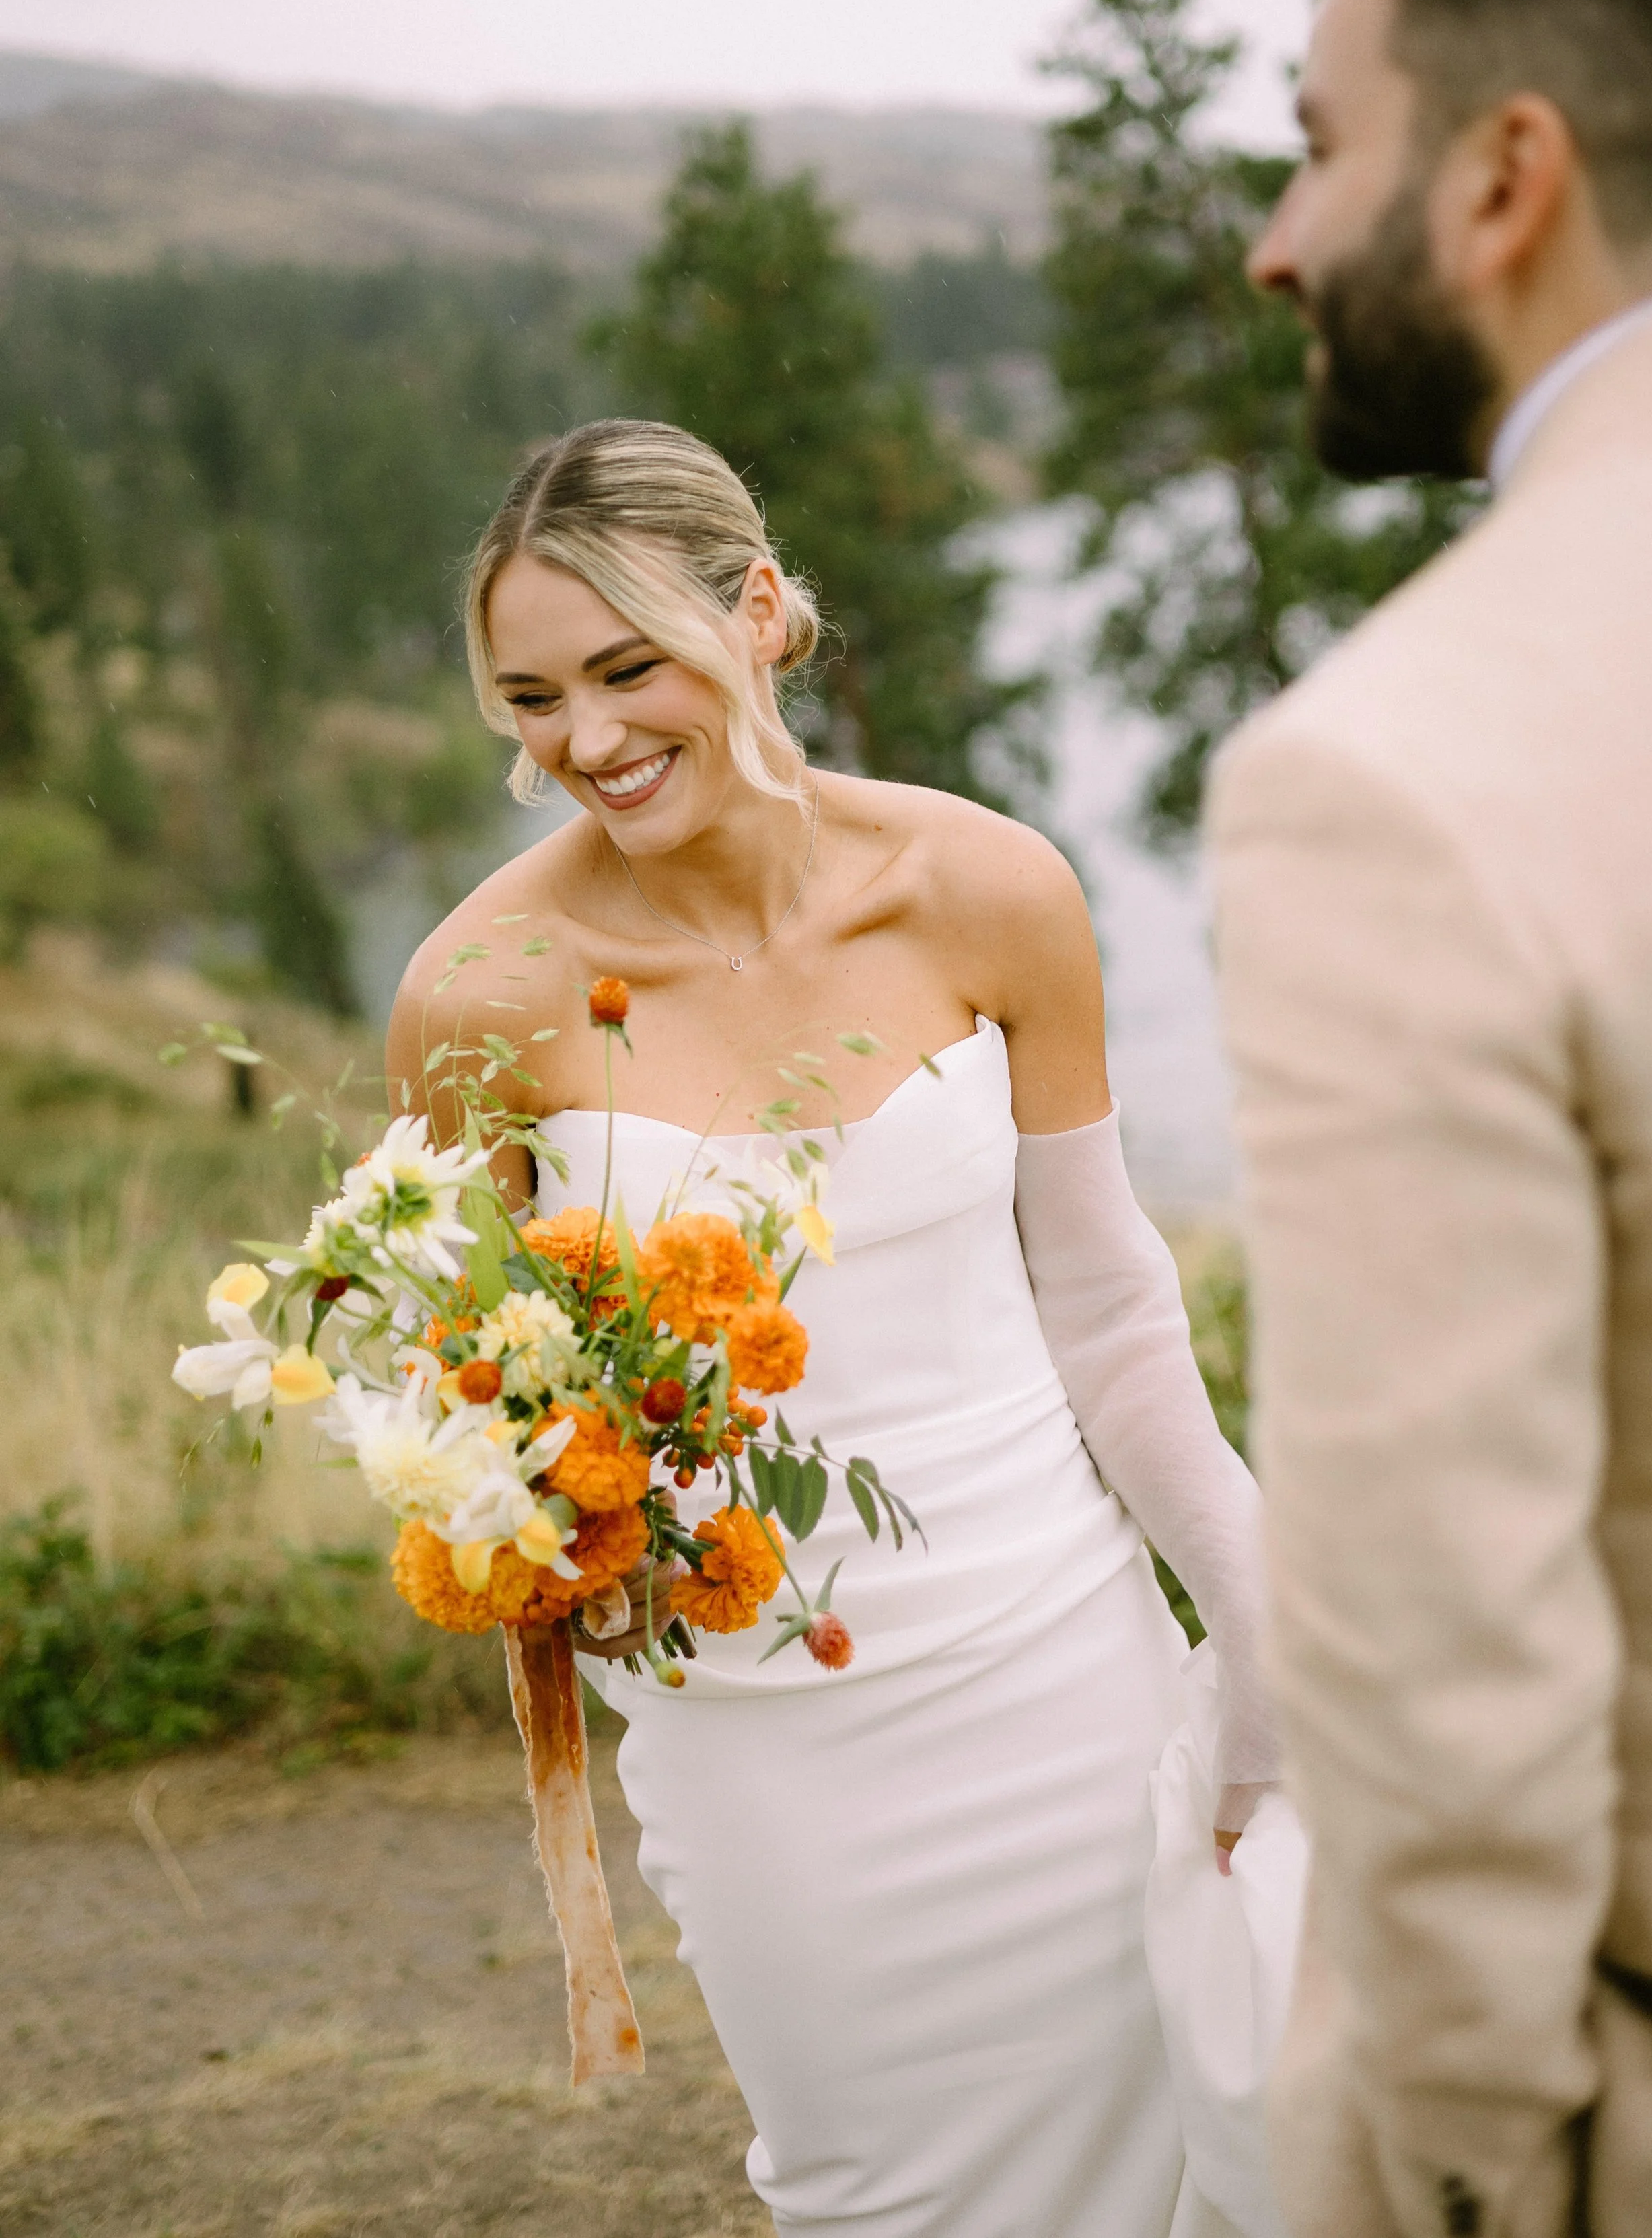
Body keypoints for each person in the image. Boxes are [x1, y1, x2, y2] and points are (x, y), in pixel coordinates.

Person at [388, 417, 1279, 2237]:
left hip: (1060, 1658)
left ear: (765, 613)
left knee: (1192, 2146)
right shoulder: (479, 993)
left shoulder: (984, 888)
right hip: (754, 1717)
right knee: (877, 2186)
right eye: (533, 695)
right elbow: (461, 1385)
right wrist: (534, 1513)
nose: (589, 738)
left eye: (632, 665)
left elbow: (1107, 1308)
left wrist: (1258, 1618)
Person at [1208, 0, 1652, 2233]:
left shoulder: (1394, 775)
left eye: (1313, 145)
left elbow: (1438, 1668)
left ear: (1502, 179)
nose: (1279, 242)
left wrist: (1484, 2154)